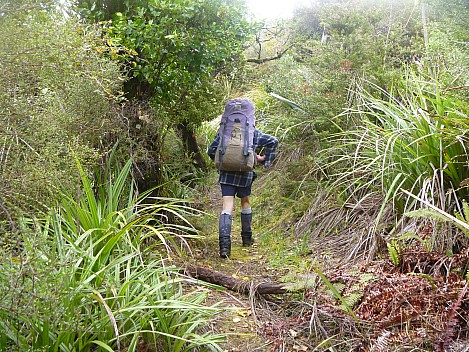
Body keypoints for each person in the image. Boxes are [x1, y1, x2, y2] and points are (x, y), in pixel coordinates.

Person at [207, 99, 279, 258]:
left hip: (226, 173)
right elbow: (273, 141)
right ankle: (247, 238)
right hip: (245, 171)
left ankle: (224, 247)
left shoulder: (224, 131)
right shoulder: (252, 131)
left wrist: (223, 161)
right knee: (245, 200)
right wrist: (264, 161)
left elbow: (211, 151)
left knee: (227, 206)